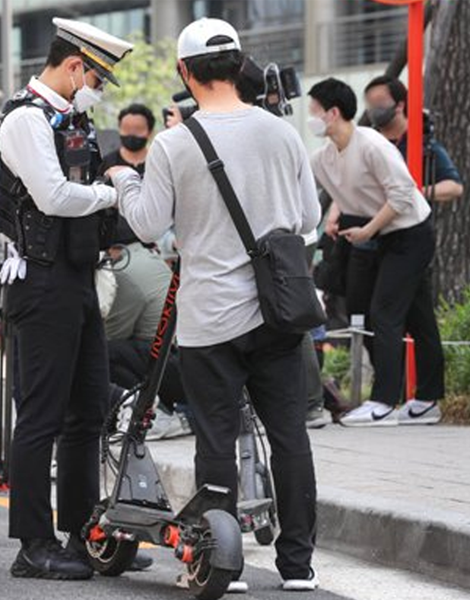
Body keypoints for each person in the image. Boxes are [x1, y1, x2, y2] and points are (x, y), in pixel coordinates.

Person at [108, 18, 321, 591]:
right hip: (278, 314)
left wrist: (123, 181)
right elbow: (308, 220)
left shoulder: (175, 144)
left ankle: (222, 564)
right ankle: (298, 567)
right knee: (289, 438)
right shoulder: (282, 133)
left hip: (210, 319)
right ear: (238, 65)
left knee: (216, 440)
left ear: (185, 72)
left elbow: (149, 223)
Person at [0, 17, 133, 580]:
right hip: (40, 281)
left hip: (75, 277)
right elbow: (51, 197)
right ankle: (33, 544)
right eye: (96, 77)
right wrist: (115, 190)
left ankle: (79, 532)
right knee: (41, 416)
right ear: (75, 66)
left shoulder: (71, 118)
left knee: (89, 410)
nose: (97, 89)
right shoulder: (26, 121)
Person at [308, 78, 445, 427]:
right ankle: (428, 401)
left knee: (384, 311)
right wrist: (340, 217)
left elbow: (402, 194)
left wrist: (367, 230)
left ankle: (384, 401)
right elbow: (338, 190)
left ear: (333, 113)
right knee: (419, 318)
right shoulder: (323, 158)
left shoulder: (372, 145)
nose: (310, 117)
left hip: (411, 233)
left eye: (314, 110)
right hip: (384, 236)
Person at [99, 218, 191, 440]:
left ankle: (152, 414)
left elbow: (113, 333)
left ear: (114, 248)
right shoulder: (149, 258)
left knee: (107, 353)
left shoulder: (122, 270)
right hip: (184, 361)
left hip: (170, 366)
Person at [364, 75, 464, 203]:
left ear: (400, 105)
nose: (374, 109)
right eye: (370, 104)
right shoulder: (367, 143)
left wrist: (414, 193)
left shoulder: (422, 143)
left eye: (380, 101)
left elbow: (454, 187)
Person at [99, 103, 155, 176]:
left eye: (138, 129)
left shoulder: (157, 162)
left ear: (150, 133)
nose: (131, 133)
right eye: (126, 128)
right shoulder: (107, 163)